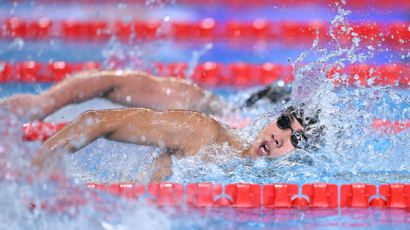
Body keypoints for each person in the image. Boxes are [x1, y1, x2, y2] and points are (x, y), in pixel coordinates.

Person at [1, 69, 313, 183]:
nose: (278, 136)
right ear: (270, 114)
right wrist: (44, 104)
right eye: (283, 122)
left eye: (296, 140)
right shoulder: (207, 121)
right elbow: (104, 97)